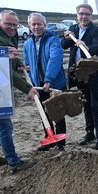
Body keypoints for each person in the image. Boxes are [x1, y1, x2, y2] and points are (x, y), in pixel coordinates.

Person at [0, 10, 34, 172]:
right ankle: (13, 161)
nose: (12, 27)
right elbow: (2, 71)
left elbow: (7, 58)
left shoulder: (3, 37)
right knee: (4, 126)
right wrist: (27, 88)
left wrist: (17, 63)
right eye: (8, 24)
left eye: (15, 25)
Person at [62, 3, 98, 150]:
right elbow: (63, 45)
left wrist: (85, 46)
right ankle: (90, 134)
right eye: (81, 14)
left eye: (87, 14)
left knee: (95, 105)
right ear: (77, 16)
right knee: (86, 105)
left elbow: (97, 47)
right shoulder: (74, 29)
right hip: (78, 74)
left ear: (91, 16)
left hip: (93, 74)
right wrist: (67, 37)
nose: (84, 17)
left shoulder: (96, 31)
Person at [24, 12, 67, 151]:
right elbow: (27, 64)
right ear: (29, 26)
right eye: (33, 24)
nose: (36, 27)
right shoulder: (27, 43)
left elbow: (55, 60)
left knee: (57, 114)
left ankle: (60, 143)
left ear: (44, 25)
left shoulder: (53, 40)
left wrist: (48, 80)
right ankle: (50, 140)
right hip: (38, 85)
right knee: (44, 114)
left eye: (39, 24)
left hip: (54, 84)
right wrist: (30, 82)